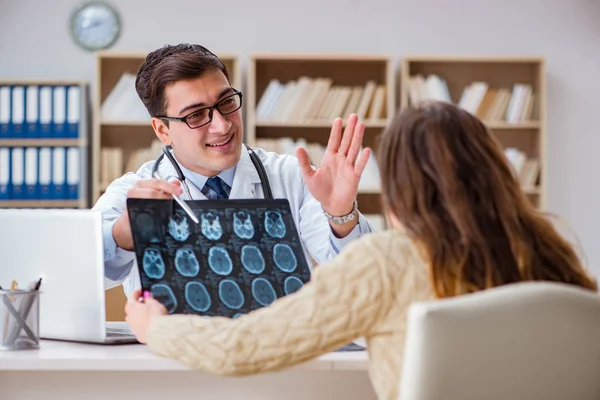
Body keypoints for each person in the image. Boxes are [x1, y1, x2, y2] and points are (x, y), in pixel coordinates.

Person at [125, 100, 597, 400]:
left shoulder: (391, 261)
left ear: (400, 189)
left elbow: (242, 348)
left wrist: (158, 328)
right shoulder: (550, 251)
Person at [92, 43, 374, 297]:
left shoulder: (291, 176)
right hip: (174, 353)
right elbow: (81, 275)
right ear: (163, 130)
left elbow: (357, 277)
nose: (223, 125)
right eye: (196, 114)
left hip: (277, 350)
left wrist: (341, 216)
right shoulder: (133, 193)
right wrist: (123, 235)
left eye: (226, 102)